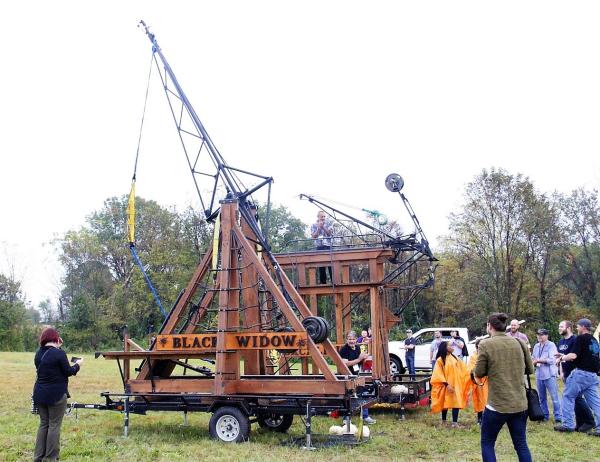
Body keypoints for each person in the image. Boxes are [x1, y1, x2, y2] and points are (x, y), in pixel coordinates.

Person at [473, 312, 534, 462]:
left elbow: (479, 372)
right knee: (521, 444)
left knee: (487, 442)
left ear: (489, 326)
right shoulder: (519, 342)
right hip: (519, 403)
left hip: (497, 405)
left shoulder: (485, 344)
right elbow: (530, 369)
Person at [33, 327, 83, 462]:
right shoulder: (59, 354)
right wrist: (78, 365)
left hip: (39, 394)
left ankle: (38, 457)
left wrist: (57, 346)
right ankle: (50, 458)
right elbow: (68, 371)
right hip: (56, 395)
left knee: (44, 424)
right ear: (56, 338)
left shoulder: (38, 353)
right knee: (54, 425)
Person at [554, 318, 600, 436]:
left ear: (583, 327)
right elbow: (586, 356)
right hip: (593, 376)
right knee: (595, 402)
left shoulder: (580, 338)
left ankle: (568, 425)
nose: (577, 328)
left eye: (578, 326)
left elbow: (573, 356)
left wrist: (561, 358)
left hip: (581, 374)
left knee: (568, 396)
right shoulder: (594, 340)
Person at [339, 331, 376, 424]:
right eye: (349, 339)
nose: (351, 341)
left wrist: (364, 359)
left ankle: (365, 416)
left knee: (363, 393)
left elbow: (359, 363)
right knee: (348, 397)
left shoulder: (358, 348)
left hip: (356, 375)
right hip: (346, 376)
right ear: (347, 339)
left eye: (353, 339)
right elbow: (345, 363)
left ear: (356, 340)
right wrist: (359, 359)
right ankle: (346, 418)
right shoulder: (344, 349)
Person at [430, 341, 469, 427]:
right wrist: (447, 385)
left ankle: (455, 423)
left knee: (456, 402)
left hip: (456, 385)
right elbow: (438, 373)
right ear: (445, 348)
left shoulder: (454, 357)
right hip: (446, 385)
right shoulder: (440, 360)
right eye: (450, 346)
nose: (452, 347)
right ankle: (444, 421)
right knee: (445, 403)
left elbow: (463, 368)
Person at [531, 328, 561, 423]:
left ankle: (558, 417)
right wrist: (533, 361)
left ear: (547, 335)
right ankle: (544, 416)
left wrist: (538, 360)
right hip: (539, 374)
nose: (539, 336)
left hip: (549, 374)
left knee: (554, 397)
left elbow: (553, 360)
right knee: (541, 397)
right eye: (538, 334)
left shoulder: (551, 345)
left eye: (542, 335)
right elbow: (533, 358)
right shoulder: (536, 346)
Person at [466, 339, 488, 424]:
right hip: (477, 381)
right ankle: (479, 418)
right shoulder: (474, 356)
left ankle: (487, 418)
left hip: (487, 381)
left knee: (487, 399)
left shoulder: (487, 355)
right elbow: (470, 368)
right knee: (479, 399)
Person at [310, 210, 333, 284]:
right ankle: (323, 283)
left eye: (324, 216)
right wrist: (319, 228)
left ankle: (333, 281)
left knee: (331, 264)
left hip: (328, 246)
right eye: (321, 216)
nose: (323, 218)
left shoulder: (329, 224)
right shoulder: (313, 225)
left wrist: (323, 227)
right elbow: (313, 236)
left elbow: (329, 234)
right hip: (319, 246)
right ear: (318, 217)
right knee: (321, 265)